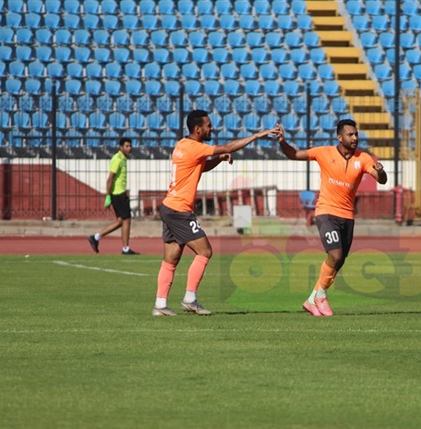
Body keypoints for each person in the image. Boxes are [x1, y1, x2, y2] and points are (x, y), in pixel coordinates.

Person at [152, 110, 278, 316]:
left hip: (169, 206)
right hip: (180, 210)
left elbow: (198, 167)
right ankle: (190, 299)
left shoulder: (182, 145)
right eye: (209, 125)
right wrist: (256, 136)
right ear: (198, 129)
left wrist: (218, 160)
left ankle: (160, 304)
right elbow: (227, 147)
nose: (213, 128)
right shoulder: (195, 147)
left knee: (171, 258)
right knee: (205, 251)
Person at [275, 119, 387, 316]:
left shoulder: (364, 158)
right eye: (350, 135)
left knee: (339, 260)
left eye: (356, 134)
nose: (355, 138)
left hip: (347, 215)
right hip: (326, 212)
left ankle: (312, 299)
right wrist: (283, 142)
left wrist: (380, 171)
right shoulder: (324, 153)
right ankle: (321, 296)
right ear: (339, 137)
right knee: (335, 255)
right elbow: (294, 154)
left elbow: (381, 179)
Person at [88, 137, 139, 255]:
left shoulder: (123, 159)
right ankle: (125, 248)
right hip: (118, 194)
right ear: (120, 147)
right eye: (127, 146)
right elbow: (110, 178)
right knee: (126, 220)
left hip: (119, 193)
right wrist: (108, 196)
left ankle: (96, 237)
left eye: (130, 146)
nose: (129, 148)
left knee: (121, 221)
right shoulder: (118, 159)